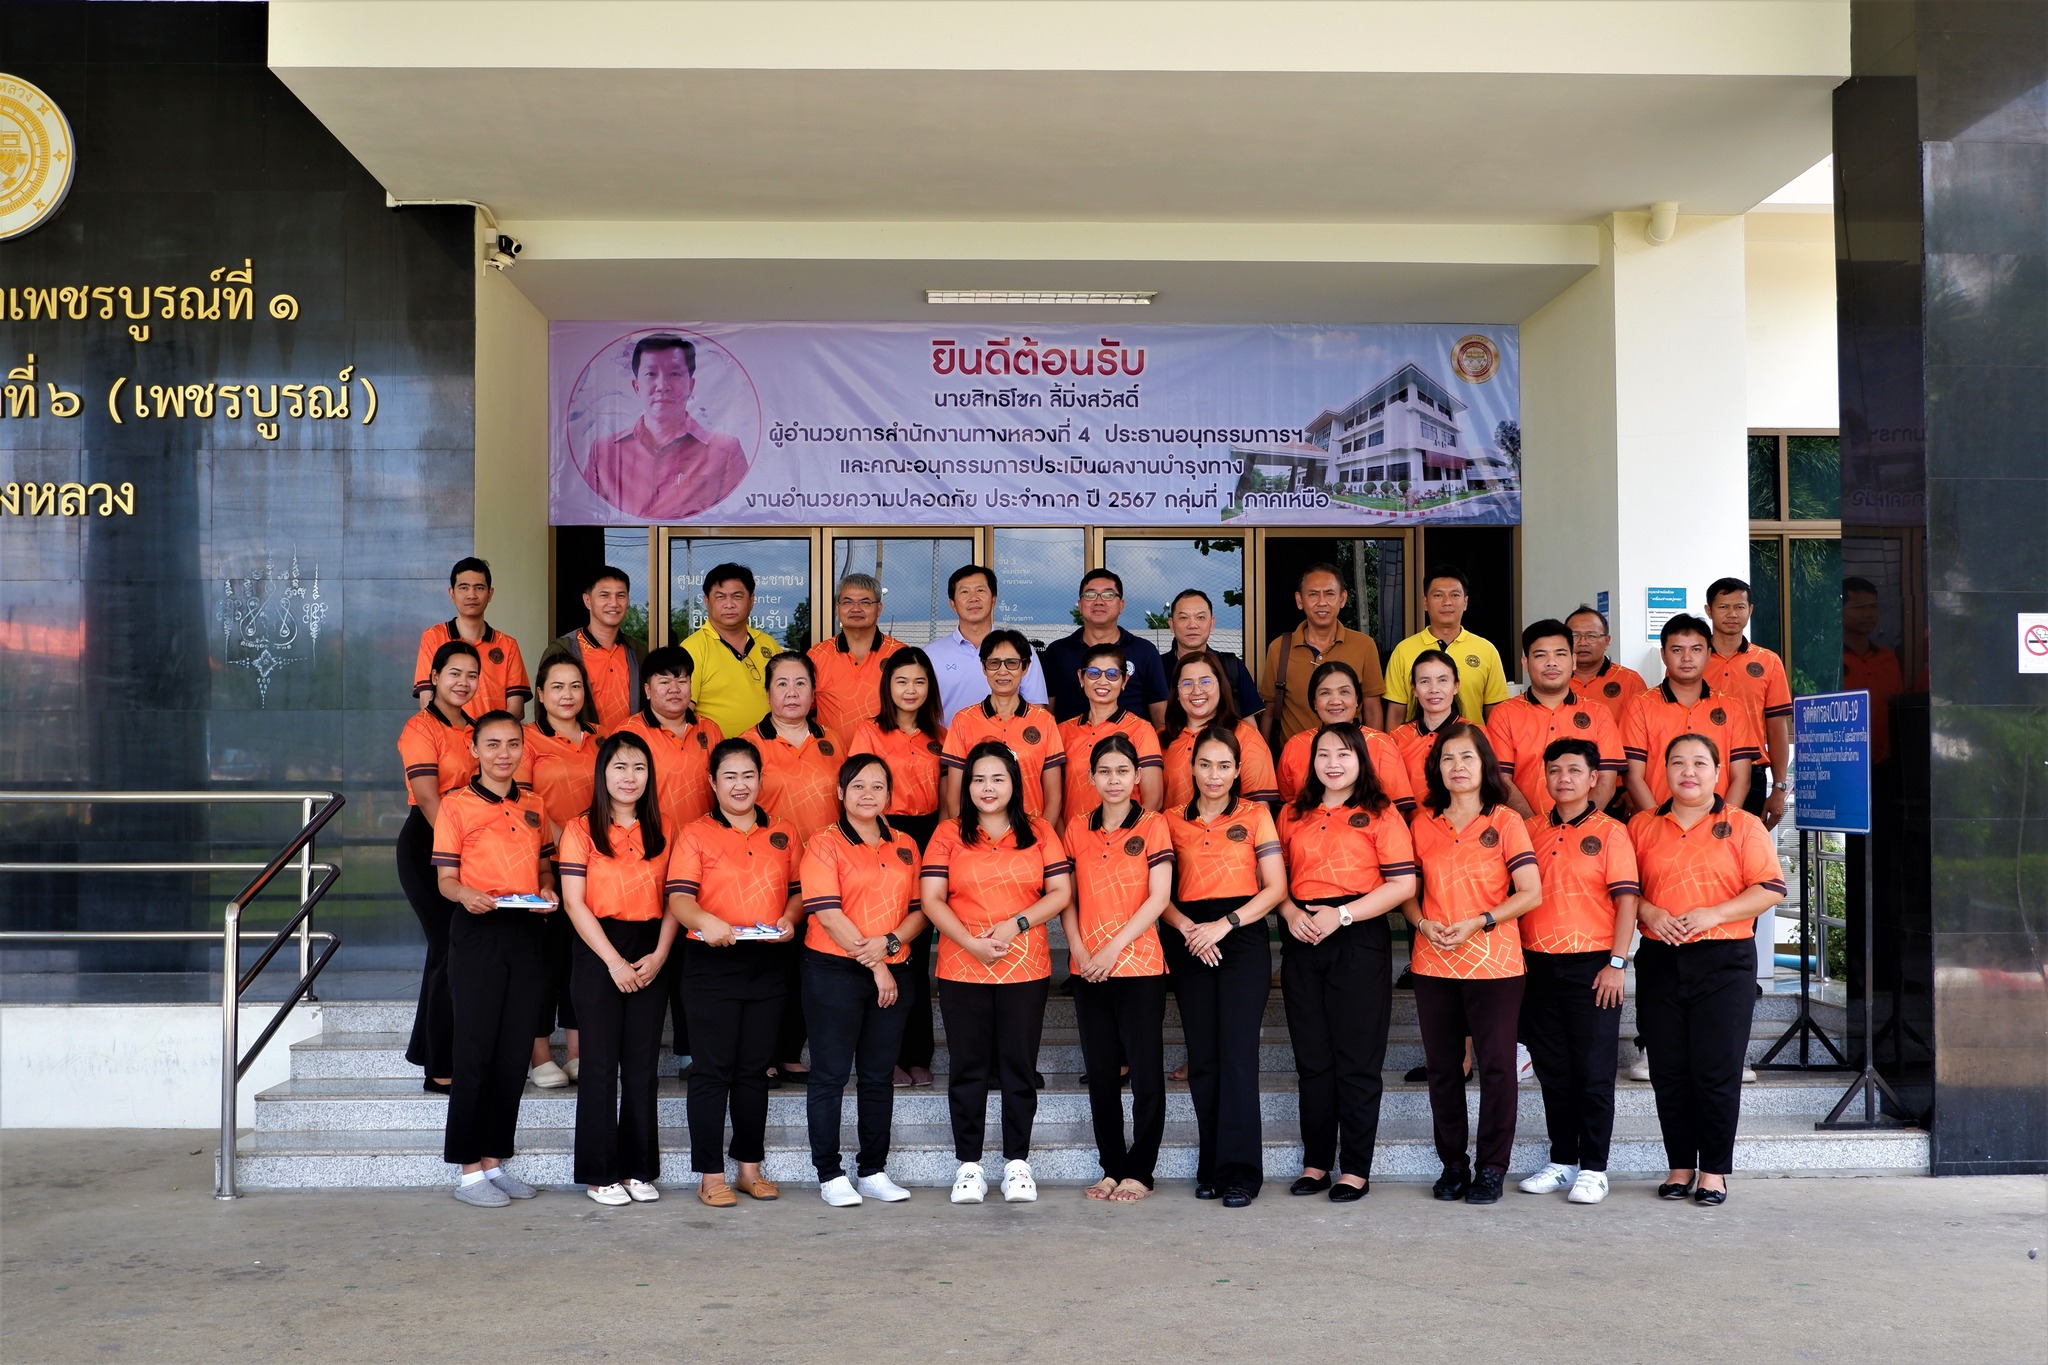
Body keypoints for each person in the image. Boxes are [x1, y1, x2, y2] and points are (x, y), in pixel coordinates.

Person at [1631, 734, 1786, 1206]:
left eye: (1700, 763)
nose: (1688, 772)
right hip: (1660, 958)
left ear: (1718, 773)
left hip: (1724, 962)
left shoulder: (1742, 824)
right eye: (1678, 762)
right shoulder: (1641, 826)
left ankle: (1713, 1172)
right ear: (1664, 770)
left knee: (1716, 1070)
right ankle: (1680, 1166)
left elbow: (1770, 888)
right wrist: (1648, 912)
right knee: (1668, 1070)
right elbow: (1622, 890)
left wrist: (1713, 914)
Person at [921, 741, 1073, 1205]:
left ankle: (1016, 1165)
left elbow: (1060, 892)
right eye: (979, 779)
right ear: (967, 786)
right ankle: (968, 1166)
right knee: (967, 1068)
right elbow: (931, 899)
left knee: (1018, 1068)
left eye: (997, 779)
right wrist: (971, 943)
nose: (988, 788)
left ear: (1014, 784)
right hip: (961, 966)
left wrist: (1016, 924)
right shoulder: (948, 833)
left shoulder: (1039, 831)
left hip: (1025, 966)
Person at [1276, 723, 1419, 1203]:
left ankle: (1355, 1169)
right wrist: (1290, 913)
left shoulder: (1382, 813)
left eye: (1343, 754)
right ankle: (1316, 1163)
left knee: (1357, 1060)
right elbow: (1274, 880)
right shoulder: (1292, 813)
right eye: (1323, 754)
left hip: (1357, 936)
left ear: (1361, 760)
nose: (1332, 763)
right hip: (1302, 936)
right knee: (1313, 1060)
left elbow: (1403, 885)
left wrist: (1341, 915)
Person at [1402, 721, 1542, 1207]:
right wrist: (1422, 924)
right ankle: (1453, 1165)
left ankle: (1492, 1168)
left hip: (1495, 964)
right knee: (1443, 1069)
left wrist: (1481, 921)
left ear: (1485, 765)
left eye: (1467, 757)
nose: (1457, 766)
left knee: (1498, 1068)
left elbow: (1530, 892)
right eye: (1448, 758)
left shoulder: (1506, 821)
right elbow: (1408, 892)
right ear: (1436, 768)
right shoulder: (1422, 822)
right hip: (1433, 962)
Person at [664, 738, 803, 1208]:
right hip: (711, 964)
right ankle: (710, 1175)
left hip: (768, 963)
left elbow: (799, 892)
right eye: (730, 776)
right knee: (712, 1072)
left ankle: (749, 1169)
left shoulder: (784, 831)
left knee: (753, 1071)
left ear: (761, 779)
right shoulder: (695, 833)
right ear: (712, 782)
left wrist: (790, 919)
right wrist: (706, 921)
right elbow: (679, 899)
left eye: (748, 775)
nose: (740, 785)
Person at [431, 711, 557, 1207]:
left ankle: (494, 1162)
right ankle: (468, 1174)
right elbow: (445, 881)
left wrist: (547, 890)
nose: (504, 753)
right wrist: (467, 894)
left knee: (512, 1054)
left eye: (512, 744)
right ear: (475, 750)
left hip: (526, 933)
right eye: (493, 744)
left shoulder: (534, 804)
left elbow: (544, 869)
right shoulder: (456, 804)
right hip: (478, 932)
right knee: (476, 1050)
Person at [1162, 725, 1287, 1206]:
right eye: (1205, 764)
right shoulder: (1170, 820)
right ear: (1191, 768)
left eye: (1224, 766)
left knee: (1237, 1056)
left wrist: (1224, 925)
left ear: (1238, 771)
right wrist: (1191, 930)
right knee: (1204, 1057)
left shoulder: (1256, 814)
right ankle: (1211, 1167)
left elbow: (1275, 888)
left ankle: (1241, 1173)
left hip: (1241, 937)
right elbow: (1159, 894)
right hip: (1190, 938)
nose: (1214, 775)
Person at [1515, 738, 1640, 1206]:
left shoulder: (1612, 832)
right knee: (1553, 1070)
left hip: (1594, 966)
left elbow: (1627, 901)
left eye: (1573, 770)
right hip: (1536, 965)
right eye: (1554, 770)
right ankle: (1563, 1160)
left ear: (1593, 779)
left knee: (1593, 1071)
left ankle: (1594, 1168)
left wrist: (1617, 963)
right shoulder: (1529, 830)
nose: (1563, 778)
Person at [800, 753, 927, 1207]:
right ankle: (830, 1174)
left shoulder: (906, 843)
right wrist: (877, 964)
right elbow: (828, 913)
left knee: (877, 1077)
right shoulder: (824, 842)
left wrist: (890, 944)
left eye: (877, 786)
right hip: (834, 971)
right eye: (857, 786)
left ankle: (873, 1169)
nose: (867, 794)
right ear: (840, 792)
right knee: (830, 1075)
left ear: (889, 794)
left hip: (894, 967)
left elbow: (920, 910)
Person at [558, 730, 675, 1206]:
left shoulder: (666, 829)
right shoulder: (580, 829)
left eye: (639, 768)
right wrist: (613, 962)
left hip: (651, 948)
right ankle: (599, 1174)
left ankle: (638, 1169)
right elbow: (574, 902)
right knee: (601, 1065)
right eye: (620, 767)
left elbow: (676, 899)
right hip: (598, 949)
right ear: (602, 773)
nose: (630, 777)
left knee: (643, 1066)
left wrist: (660, 954)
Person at [1060, 733, 1175, 1202]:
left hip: (1140, 965)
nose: (1114, 780)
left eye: (1123, 771)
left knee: (1145, 1073)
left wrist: (1112, 950)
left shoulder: (1153, 824)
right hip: (1088, 968)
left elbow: (1159, 897)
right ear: (1091, 778)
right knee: (1102, 1074)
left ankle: (1140, 1171)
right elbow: (1067, 897)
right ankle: (1111, 1167)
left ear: (1138, 776)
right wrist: (1080, 951)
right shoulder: (1076, 827)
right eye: (1104, 772)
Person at [849, 647, 948, 1088]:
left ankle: (916, 1052)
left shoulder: (941, 735)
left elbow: (950, 798)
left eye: (919, 682)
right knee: (882, 938)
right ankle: (880, 1055)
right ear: (888, 687)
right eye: (901, 681)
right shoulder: (869, 732)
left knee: (915, 949)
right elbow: (860, 793)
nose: (910, 690)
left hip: (930, 836)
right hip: (882, 834)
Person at [752, 652, 842, 1081]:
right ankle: (763, 1054)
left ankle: (790, 1051)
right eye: (782, 684)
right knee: (771, 968)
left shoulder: (833, 741)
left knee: (813, 967)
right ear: (767, 691)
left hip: (825, 872)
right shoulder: (750, 743)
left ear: (813, 691)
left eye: (800, 683)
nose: (792, 693)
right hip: (769, 873)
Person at [396, 640, 481, 1093]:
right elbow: (430, 799)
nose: (463, 683)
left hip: (470, 845)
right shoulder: (420, 727)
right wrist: (460, 850)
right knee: (448, 947)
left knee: (449, 951)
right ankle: (441, 1066)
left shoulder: (476, 729)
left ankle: (431, 1053)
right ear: (434, 677)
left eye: (472, 675)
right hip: (429, 843)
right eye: (454, 673)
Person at [517, 649, 601, 1089]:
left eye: (575, 686)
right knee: (541, 963)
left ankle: (580, 1052)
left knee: (580, 960)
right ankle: (540, 1057)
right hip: (542, 865)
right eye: (557, 687)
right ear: (539, 693)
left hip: (594, 869)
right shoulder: (527, 739)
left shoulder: (602, 739)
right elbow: (525, 804)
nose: (567, 695)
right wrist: (570, 843)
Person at [584, 333, 749, 521]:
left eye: (674, 374)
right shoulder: (603, 452)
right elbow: (586, 518)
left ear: (691, 385)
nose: (662, 385)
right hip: (624, 540)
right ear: (636, 386)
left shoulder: (726, 452)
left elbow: (737, 520)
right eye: (651, 374)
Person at [1485, 619, 1625, 818]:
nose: (1551, 663)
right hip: (1523, 830)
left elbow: (1606, 781)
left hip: (1586, 831)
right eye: (1540, 655)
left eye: (1560, 654)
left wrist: (1578, 825)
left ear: (1573, 660)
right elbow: (1501, 780)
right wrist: (1537, 828)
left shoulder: (1599, 712)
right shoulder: (1504, 714)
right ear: (1525, 663)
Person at [1623, 615, 1762, 813]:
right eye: (1677, 650)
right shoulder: (1639, 705)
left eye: (1696, 649)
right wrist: (1656, 823)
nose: (1686, 658)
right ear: (1663, 655)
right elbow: (1633, 777)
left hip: (1718, 824)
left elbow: (1741, 778)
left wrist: (1723, 823)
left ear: (1708, 654)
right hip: (1656, 820)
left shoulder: (1733, 707)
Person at [1388, 648, 1465, 1003]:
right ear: (1414, 689)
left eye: (1442, 680)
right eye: (1424, 681)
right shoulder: (1396, 738)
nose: (1434, 689)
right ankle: (1415, 960)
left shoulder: (1472, 734)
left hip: (1459, 839)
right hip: (1409, 836)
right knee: (1415, 899)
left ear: (1456, 686)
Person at [941, 629, 1065, 826]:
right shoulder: (963, 720)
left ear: (1025, 667)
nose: (1003, 671)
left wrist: (1041, 836)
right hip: (978, 835)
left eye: (1012, 663)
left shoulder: (1044, 721)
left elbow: (1054, 797)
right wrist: (968, 835)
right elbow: (954, 796)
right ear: (984, 668)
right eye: (994, 663)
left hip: (1030, 835)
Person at [1701, 577, 1794, 828]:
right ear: (1709, 610)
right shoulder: (1693, 659)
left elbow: (1777, 728)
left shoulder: (1768, 661)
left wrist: (1779, 787)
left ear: (1750, 610)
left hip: (1752, 772)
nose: (1732, 614)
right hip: (1700, 770)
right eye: (1723, 607)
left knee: (1745, 846)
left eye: (1739, 607)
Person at [1258, 563, 1386, 744]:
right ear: (1299, 600)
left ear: (1342, 599)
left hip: (1349, 754)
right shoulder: (1279, 648)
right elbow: (1269, 712)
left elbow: (1372, 710)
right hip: (1295, 756)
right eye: (1313, 594)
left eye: (1329, 594)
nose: (1322, 602)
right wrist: (1264, 756)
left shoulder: (1364, 645)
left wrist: (1373, 753)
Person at [1275, 660, 1414, 815]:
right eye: (1325, 693)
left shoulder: (1382, 743)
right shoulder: (1295, 745)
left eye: (1344, 692)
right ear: (1314, 702)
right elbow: (1286, 808)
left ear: (1357, 699)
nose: (1335, 701)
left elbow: (1398, 809)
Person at [610, 645, 723, 836]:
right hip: (651, 841)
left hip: (706, 842)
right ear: (647, 690)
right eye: (664, 682)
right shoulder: (629, 733)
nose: (674, 689)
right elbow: (615, 798)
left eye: (682, 681)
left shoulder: (710, 730)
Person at [1382, 565, 1511, 725]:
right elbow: (1396, 713)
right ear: (1425, 602)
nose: (1447, 602)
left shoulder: (1486, 650)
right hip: (1417, 741)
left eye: (1455, 595)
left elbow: (1496, 713)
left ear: (1465, 602)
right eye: (1438, 595)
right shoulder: (1403, 650)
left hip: (1470, 740)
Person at [1041, 568, 1171, 726]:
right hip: (1068, 740)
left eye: (1108, 595)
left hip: (1131, 740)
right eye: (1090, 595)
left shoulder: (1144, 651)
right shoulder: (1057, 652)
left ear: (1121, 605)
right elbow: (1046, 714)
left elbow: (1159, 714)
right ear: (1080, 605)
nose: (1099, 601)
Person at [1057, 641, 1164, 821]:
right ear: (1081, 677)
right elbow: (1054, 800)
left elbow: (1154, 800)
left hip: (1125, 836)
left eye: (1112, 674)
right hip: (1073, 836)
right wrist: (1065, 836)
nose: (1102, 681)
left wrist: (1123, 835)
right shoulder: (1063, 731)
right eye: (1093, 673)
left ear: (1124, 681)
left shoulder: (1141, 729)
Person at [412, 557, 531, 718]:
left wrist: (487, 733)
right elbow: (427, 701)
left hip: (493, 734)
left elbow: (516, 709)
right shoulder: (433, 637)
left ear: (490, 594)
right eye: (464, 588)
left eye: (479, 588)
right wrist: (459, 731)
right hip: (447, 733)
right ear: (452, 594)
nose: (471, 595)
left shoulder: (507, 645)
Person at [1161, 650, 1278, 811]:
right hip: (1169, 827)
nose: (1197, 691)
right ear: (1177, 693)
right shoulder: (1160, 739)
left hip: (1231, 827)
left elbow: (1259, 809)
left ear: (1221, 687)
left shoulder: (1245, 736)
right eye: (1187, 683)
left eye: (1205, 682)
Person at [929, 564, 1050, 720]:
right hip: (949, 736)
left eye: (980, 590)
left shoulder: (1019, 649)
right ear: (952, 604)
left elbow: (1036, 711)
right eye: (964, 592)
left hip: (1008, 736)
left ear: (994, 600)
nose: (973, 598)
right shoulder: (931, 655)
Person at [679, 563, 780, 740]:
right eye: (720, 597)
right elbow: (681, 714)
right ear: (706, 601)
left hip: (771, 749)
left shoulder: (769, 645)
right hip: (717, 753)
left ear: (751, 600)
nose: (729, 604)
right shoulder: (692, 648)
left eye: (737, 596)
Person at [808, 572, 906, 751]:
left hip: (888, 759)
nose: (856, 609)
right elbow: (804, 712)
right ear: (837, 608)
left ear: (879, 608)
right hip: (831, 759)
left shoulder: (900, 654)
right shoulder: (816, 655)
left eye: (865, 602)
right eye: (847, 602)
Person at [553, 566, 644, 731]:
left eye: (621, 595)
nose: (614, 603)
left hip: (629, 745)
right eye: (604, 595)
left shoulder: (637, 652)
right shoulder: (563, 650)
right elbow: (547, 710)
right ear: (587, 601)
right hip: (579, 745)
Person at [1167, 588, 1263, 722]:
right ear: (1172, 624)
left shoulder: (1231, 666)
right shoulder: (1156, 667)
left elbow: (1249, 724)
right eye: (1183, 618)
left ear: (1212, 623)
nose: (1192, 625)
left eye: (1200, 617)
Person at [1841, 577, 1904, 765]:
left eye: (1873, 607)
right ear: (1840, 610)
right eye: (1860, 607)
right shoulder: (1829, 661)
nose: (1868, 614)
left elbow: (1899, 714)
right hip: (1842, 763)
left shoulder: (1888, 659)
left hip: (1886, 765)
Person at [1566, 604, 1647, 727]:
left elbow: (1641, 729)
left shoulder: (1630, 680)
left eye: (1591, 636)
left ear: (1607, 640)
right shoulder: (1553, 678)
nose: (1583, 643)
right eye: (1574, 636)